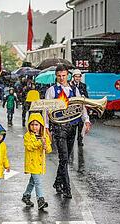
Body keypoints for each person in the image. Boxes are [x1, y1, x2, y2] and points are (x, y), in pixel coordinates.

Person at [45, 64, 91, 199]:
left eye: (64, 75)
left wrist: (86, 120)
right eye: (59, 76)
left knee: (65, 159)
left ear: (67, 75)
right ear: (56, 76)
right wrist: (46, 127)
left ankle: (57, 183)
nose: (61, 78)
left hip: (73, 127)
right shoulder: (51, 91)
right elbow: (46, 111)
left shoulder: (74, 89)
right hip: (59, 128)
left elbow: (81, 106)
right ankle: (67, 188)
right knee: (64, 158)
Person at [22, 113, 52, 209]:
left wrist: (45, 146)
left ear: (41, 125)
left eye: (36, 124)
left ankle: (26, 195)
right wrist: (40, 142)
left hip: (40, 163)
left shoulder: (44, 135)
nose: (34, 127)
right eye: (32, 124)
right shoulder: (27, 136)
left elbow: (49, 150)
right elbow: (29, 146)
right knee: (38, 182)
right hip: (32, 163)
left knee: (33, 182)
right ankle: (40, 200)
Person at [70, 69, 89, 146]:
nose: (77, 78)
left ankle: (80, 140)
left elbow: (87, 96)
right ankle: (71, 140)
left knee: (81, 125)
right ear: (73, 77)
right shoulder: (70, 85)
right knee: (73, 126)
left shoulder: (83, 85)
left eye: (79, 77)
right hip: (73, 109)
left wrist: (84, 97)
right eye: (76, 77)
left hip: (81, 108)